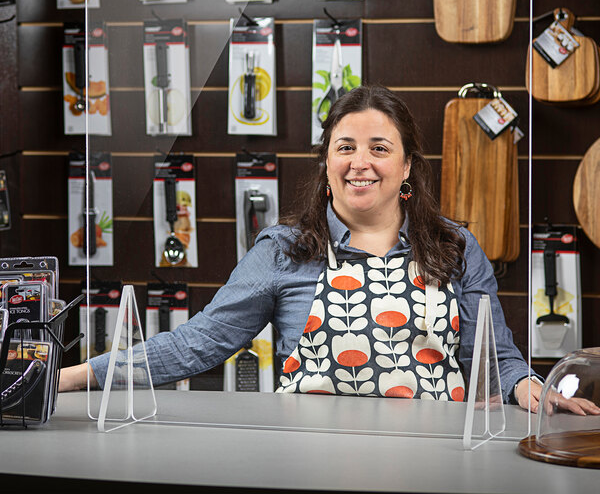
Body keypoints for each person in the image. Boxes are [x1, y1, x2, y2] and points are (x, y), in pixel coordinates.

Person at [60, 85, 599, 415]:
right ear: (326, 163)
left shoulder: (455, 246)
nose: (359, 162)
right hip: (308, 459)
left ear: (408, 166)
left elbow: (495, 357)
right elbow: (197, 343)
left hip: (434, 458)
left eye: (379, 148)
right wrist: (76, 377)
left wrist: (532, 388)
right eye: (345, 147)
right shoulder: (283, 249)